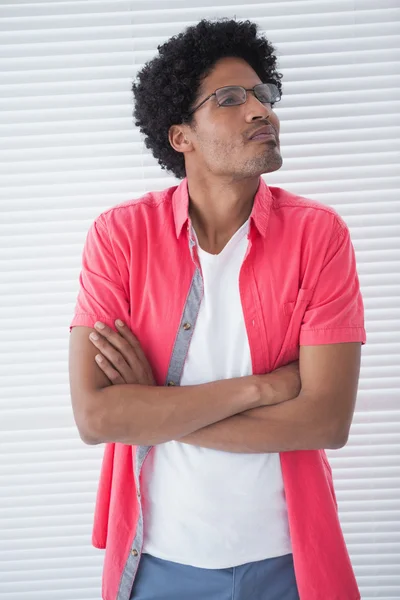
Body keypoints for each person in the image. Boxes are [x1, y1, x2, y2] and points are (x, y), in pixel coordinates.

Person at [69, 18, 366, 600]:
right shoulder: (120, 236)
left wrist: (154, 408)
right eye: (231, 99)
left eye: (263, 95)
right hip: (156, 563)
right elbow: (98, 420)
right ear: (181, 137)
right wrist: (261, 389)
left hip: (289, 563)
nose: (262, 111)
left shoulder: (319, 236)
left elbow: (326, 423)